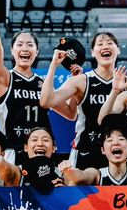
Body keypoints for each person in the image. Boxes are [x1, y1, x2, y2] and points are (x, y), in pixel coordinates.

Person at [0, 0, 74, 165]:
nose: (25, 48)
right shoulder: (5, 78)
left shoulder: (42, 84)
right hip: (14, 151)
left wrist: (75, 84)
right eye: (20, 44)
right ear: (12, 50)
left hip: (41, 151)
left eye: (30, 45)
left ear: (36, 52)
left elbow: (70, 113)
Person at [41, 31, 120, 169]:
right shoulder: (81, 81)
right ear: (92, 52)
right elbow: (46, 102)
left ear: (118, 50)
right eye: (100, 44)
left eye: (109, 43)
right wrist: (54, 65)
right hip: (86, 150)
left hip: (118, 151)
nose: (105, 46)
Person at [58, 114, 127, 186]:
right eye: (109, 140)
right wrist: (68, 171)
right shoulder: (97, 175)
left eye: (121, 139)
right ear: (103, 150)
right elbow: (80, 176)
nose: (116, 142)